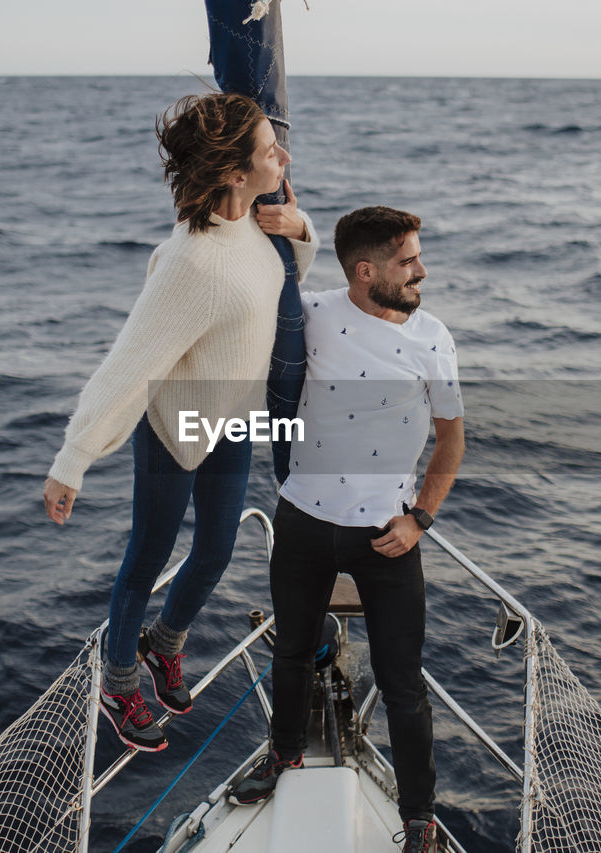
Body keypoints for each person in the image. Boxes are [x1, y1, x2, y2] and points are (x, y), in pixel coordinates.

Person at [42, 92, 318, 752]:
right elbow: (129, 364)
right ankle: (116, 680)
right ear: (232, 173)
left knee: (218, 548)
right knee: (147, 557)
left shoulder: (255, 221)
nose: (283, 154)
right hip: (176, 423)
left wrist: (300, 229)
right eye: (267, 150)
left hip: (232, 415)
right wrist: (72, 458)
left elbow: (281, 285)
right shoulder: (190, 263)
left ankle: (164, 643)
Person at [230, 206, 464, 853]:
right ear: (365, 272)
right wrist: (295, 216)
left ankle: (420, 815)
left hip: (386, 538)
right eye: (407, 261)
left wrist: (419, 517)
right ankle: (284, 757)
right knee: (290, 653)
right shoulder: (314, 315)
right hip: (303, 517)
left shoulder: (433, 338)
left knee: (403, 684)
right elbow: (267, 270)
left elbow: (452, 437)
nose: (421, 270)